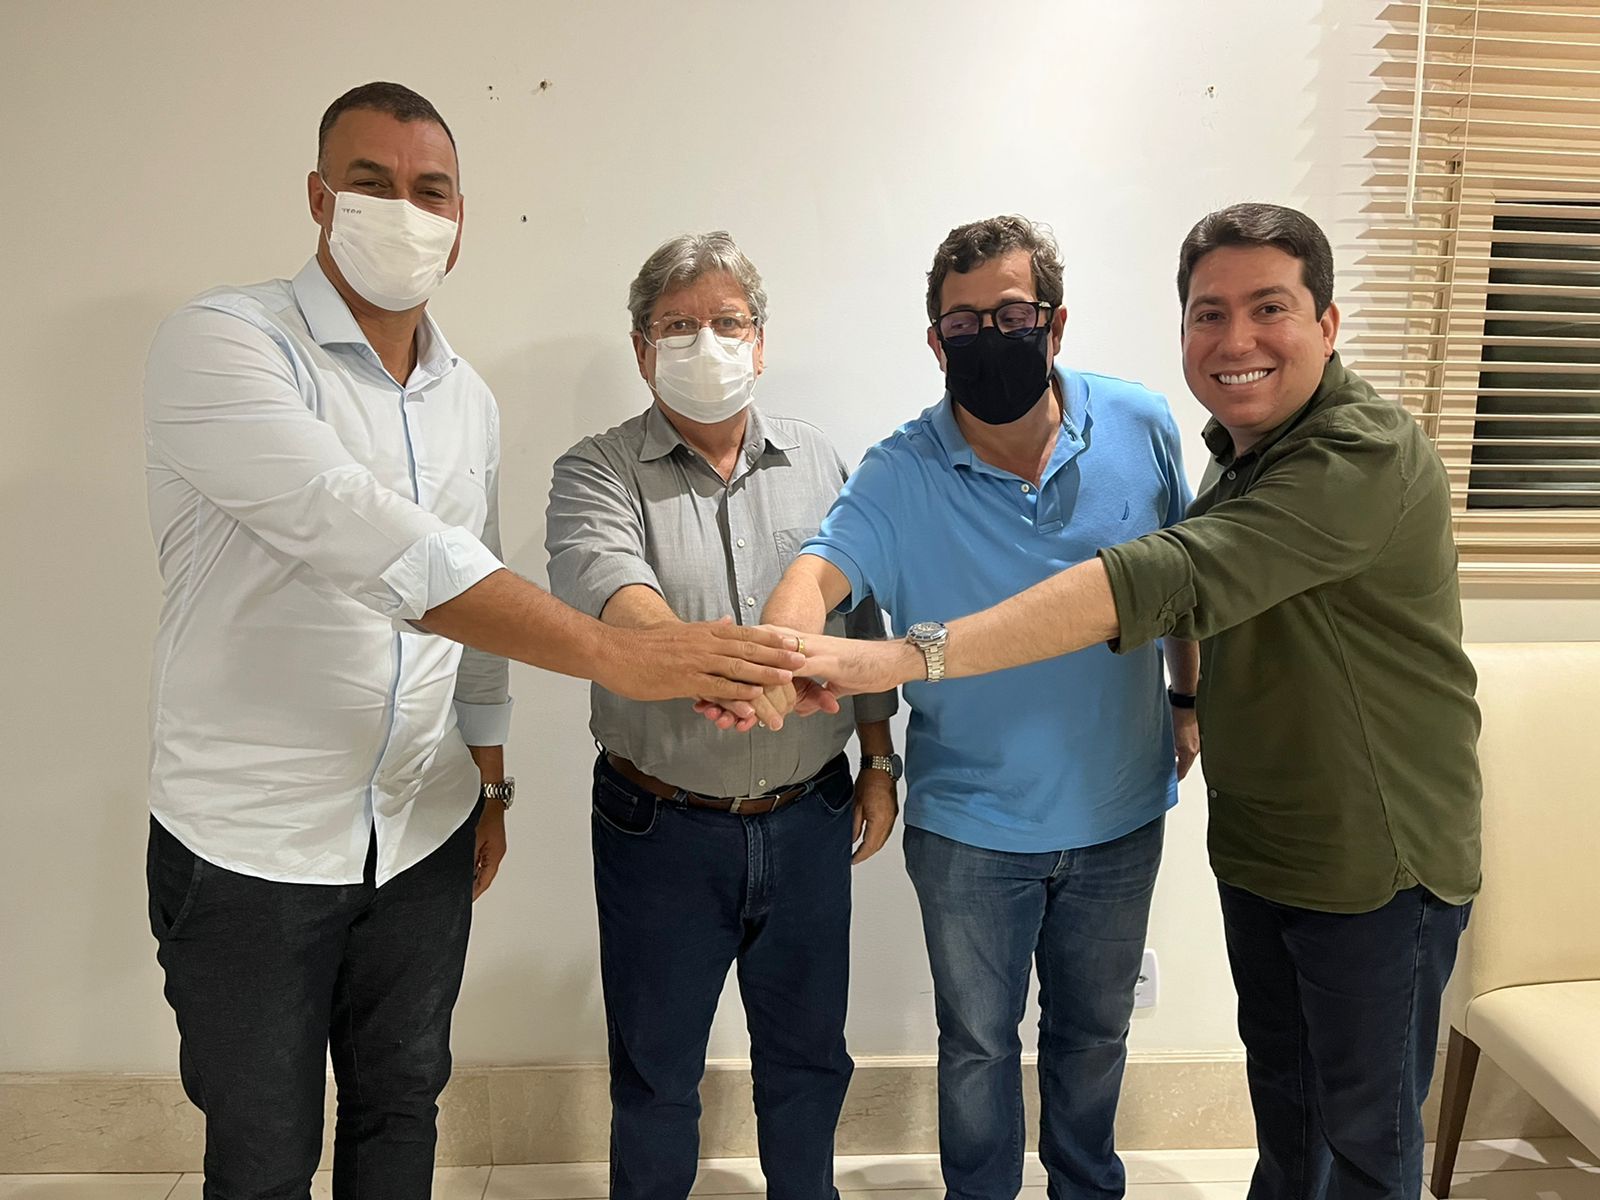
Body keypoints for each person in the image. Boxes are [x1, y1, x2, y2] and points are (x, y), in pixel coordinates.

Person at [141, 83, 800, 1200]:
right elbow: (367, 535)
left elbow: (475, 582)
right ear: (319, 198)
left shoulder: (467, 400)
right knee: (262, 1152)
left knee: (402, 1108)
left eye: (431, 191)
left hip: (422, 825)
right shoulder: (225, 342)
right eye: (372, 183)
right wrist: (620, 653)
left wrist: (488, 779)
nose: (405, 210)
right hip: (253, 841)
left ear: (458, 222)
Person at [794, 203, 1481, 1200]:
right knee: (1289, 1115)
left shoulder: (1352, 456)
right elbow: (829, 562)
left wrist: (907, 657)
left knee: (1367, 1140)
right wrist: (1187, 702)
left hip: (1375, 860)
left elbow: (1159, 579)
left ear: (1327, 324)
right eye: (1209, 313)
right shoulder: (1242, 449)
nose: (1235, 341)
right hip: (1259, 848)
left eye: (1269, 308)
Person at [753, 215, 1198, 1198]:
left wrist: (1187, 698)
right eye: (964, 323)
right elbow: (816, 573)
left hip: (1121, 812)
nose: (989, 337)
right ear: (934, 341)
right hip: (970, 831)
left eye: (1012, 315)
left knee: (1095, 1036)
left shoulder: (1141, 426)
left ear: (1056, 323)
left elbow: (1183, 583)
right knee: (978, 1048)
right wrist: (783, 651)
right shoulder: (900, 471)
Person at [544, 231, 900, 1200]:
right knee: (656, 1073)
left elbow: (859, 619)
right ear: (641, 349)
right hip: (659, 824)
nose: (706, 343)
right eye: (677, 326)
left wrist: (878, 759)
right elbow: (611, 592)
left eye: (727, 322)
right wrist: (718, 670)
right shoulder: (596, 470)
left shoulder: (821, 461)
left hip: (811, 813)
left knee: (809, 1059)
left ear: (761, 340)